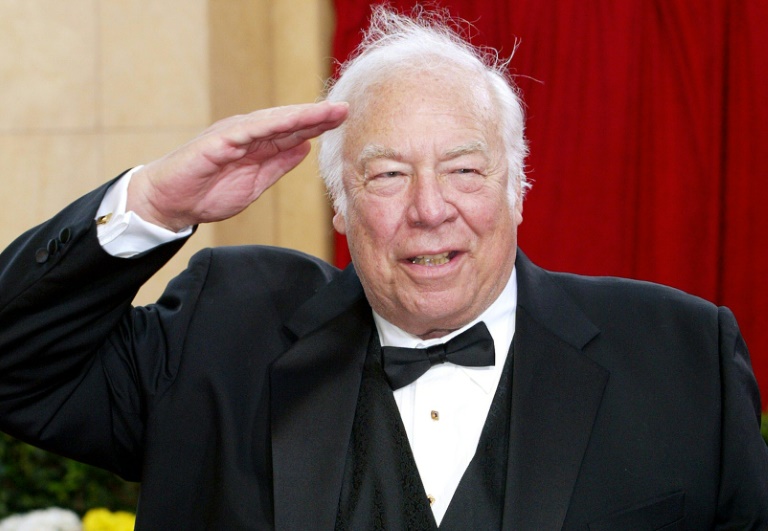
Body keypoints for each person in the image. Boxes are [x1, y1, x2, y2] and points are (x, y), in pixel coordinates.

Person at [0, 6, 766, 530]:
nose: (430, 208)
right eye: (388, 175)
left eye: (464, 170)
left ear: (517, 185)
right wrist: (155, 202)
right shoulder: (221, 333)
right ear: (340, 205)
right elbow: (15, 365)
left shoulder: (685, 355)